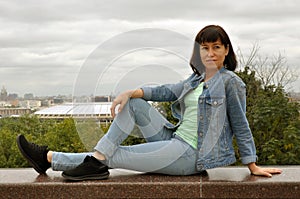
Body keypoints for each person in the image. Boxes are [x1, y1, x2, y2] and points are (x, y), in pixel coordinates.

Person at [17, 25, 282, 181]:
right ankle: (95, 159)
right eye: (204, 48)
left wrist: (252, 164)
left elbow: (240, 123)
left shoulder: (230, 82)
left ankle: (49, 158)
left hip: (191, 155)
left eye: (216, 47)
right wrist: (131, 91)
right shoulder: (195, 79)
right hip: (174, 139)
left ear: (226, 50)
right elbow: (167, 91)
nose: (210, 53)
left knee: (117, 155)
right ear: (198, 52)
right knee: (134, 104)